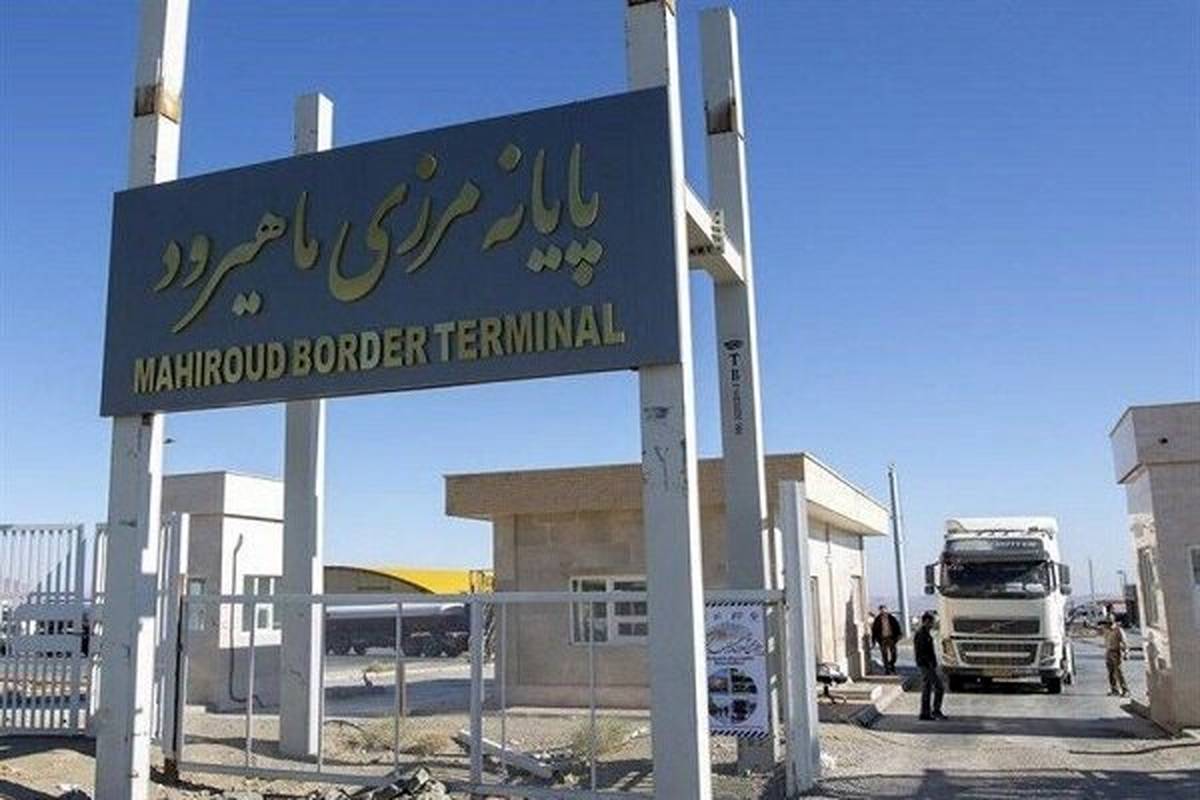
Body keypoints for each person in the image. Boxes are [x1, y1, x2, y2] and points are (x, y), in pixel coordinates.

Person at [913, 611, 946, 721]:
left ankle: (926, 713)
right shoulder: (921, 634)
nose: (933, 624)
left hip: (927, 665)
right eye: (932, 622)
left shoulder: (925, 633)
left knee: (927, 688)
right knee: (938, 687)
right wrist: (930, 665)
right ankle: (933, 711)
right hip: (926, 665)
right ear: (927, 621)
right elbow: (922, 652)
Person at [871, 604, 903, 674]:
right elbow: (874, 630)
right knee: (884, 654)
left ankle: (891, 664)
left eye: (884, 610)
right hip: (882, 639)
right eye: (881, 610)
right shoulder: (877, 619)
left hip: (891, 638)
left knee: (894, 654)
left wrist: (899, 635)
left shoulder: (892, 618)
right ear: (880, 611)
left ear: (886, 610)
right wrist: (873, 640)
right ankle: (887, 669)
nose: (883, 611)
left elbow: (897, 626)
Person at [1103, 616, 1129, 697]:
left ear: (1113, 621)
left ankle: (1125, 690)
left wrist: (1126, 653)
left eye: (1109, 622)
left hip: (1116, 652)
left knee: (1119, 672)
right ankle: (1114, 689)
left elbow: (1124, 642)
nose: (1107, 624)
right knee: (1110, 672)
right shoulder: (1106, 630)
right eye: (1107, 622)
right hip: (1108, 652)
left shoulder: (1118, 630)